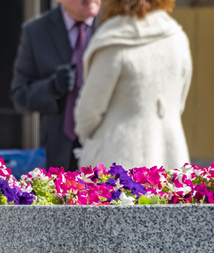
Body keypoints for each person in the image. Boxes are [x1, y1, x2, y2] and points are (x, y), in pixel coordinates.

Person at [74, 0, 191, 169]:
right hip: (170, 156)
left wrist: (94, 143)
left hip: (119, 160)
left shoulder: (113, 38)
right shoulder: (177, 37)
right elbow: (179, 102)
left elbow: (88, 112)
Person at [11, 0, 101, 171]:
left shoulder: (114, 26)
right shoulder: (36, 31)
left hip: (107, 148)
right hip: (60, 154)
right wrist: (51, 87)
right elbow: (20, 95)